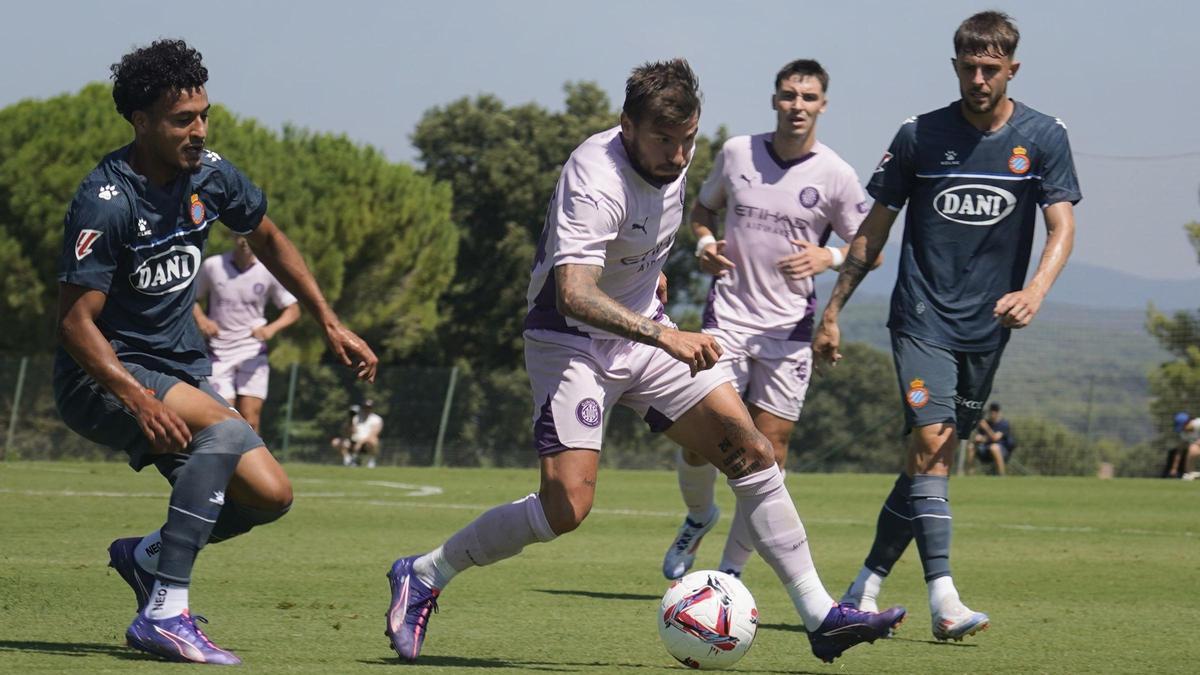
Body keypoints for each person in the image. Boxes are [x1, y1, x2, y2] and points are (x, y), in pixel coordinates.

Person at [383, 59, 904, 665]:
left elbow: (647, 246)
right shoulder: (594, 175)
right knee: (566, 509)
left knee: (753, 451)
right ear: (627, 125)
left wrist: (657, 309)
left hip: (644, 335)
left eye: (688, 140)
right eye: (663, 139)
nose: (678, 155)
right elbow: (573, 292)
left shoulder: (674, 158)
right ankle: (424, 573)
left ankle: (821, 616)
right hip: (569, 341)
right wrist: (667, 336)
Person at [53, 40, 377, 665]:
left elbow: (270, 237)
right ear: (140, 121)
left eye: (203, 114)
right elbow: (73, 323)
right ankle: (165, 614)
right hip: (102, 376)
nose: (198, 129)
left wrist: (329, 323)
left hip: (178, 370)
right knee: (226, 436)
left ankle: (146, 557)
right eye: (182, 119)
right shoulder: (106, 199)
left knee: (269, 495)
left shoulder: (213, 175)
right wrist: (133, 395)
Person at [813, 11, 1080, 642]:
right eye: (969, 67)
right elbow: (872, 230)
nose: (980, 78)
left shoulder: (1043, 138)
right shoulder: (918, 137)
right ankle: (945, 601)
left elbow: (1062, 227)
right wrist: (833, 310)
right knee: (932, 444)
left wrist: (1035, 290)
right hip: (921, 319)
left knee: (930, 462)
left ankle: (864, 586)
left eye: (992, 68)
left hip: (987, 330)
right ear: (955, 66)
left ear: (1012, 68)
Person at [662, 59, 877, 581]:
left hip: (788, 334)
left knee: (771, 454)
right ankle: (698, 516)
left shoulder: (836, 174)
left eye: (808, 98)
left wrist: (827, 258)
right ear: (774, 99)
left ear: (822, 105)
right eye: (788, 96)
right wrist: (708, 245)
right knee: (699, 440)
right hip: (727, 322)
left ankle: (727, 575)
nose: (797, 106)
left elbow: (868, 246)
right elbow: (702, 212)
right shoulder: (738, 152)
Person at [193, 234, 301, 432]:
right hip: (219, 351)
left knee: (251, 418)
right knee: (223, 417)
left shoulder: (268, 269)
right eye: (240, 234)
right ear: (233, 236)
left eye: (250, 235)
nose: (244, 241)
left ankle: (251, 462)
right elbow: (191, 298)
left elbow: (293, 309)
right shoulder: (213, 266)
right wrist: (202, 320)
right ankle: (225, 461)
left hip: (252, 350)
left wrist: (271, 329)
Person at [967, 402, 1015, 475]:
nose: (993, 413)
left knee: (994, 447)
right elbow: (980, 438)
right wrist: (979, 438)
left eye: (995, 411)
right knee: (971, 446)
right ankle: (970, 473)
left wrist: (986, 427)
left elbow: (995, 438)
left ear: (998, 412)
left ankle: (1001, 474)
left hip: (1002, 450)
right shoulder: (986, 422)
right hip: (985, 449)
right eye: (991, 411)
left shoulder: (1003, 424)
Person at [1164, 411, 1200, 479]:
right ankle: (1190, 474)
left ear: (1188, 422)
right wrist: (1174, 468)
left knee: (1193, 447)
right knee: (1192, 449)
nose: (1182, 429)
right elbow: (1179, 451)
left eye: (1183, 426)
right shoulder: (1184, 434)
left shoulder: (1198, 423)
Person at [349, 399, 384, 467]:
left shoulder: (377, 419)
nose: (367, 409)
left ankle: (371, 460)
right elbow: (351, 431)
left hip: (367, 441)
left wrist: (361, 442)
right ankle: (351, 460)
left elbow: (374, 434)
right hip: (355, 439)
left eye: (369, 407)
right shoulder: (356, 418)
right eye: (365, 407)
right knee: (338, 442)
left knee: (374, 441)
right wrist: (350, 418)